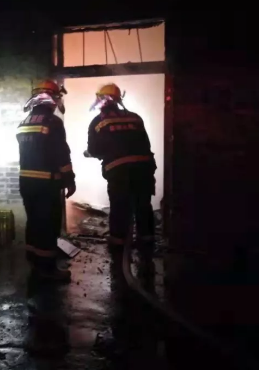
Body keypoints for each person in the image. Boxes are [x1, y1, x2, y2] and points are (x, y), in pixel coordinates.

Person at [17, 80, 76, 282]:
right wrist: (69, 179)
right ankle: (48, 269)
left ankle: (34, 261)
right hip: (47, 183)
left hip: (26, 182)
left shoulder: (24, 122)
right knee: (48, 225)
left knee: (34, 221)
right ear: (53, 99)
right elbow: (61, 154)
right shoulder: (53, 122)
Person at [85, 83, 156, 249]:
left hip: (119, 172)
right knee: (143, 205)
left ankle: (118, 243)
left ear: (101, 100)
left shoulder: (98, 121)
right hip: (144, 169)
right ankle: (147, 241)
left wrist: (89, 153)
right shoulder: (135, 118)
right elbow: (145, 144)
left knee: (119, 206)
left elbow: (94, 150)